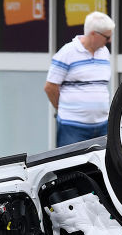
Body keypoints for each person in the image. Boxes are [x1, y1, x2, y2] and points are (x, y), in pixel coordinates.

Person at [44, 11, 115, 147]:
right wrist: (64, 109)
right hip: (72, 126)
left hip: (102, 124)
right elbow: (50, 87)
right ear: (94, 34)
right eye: (107, 37)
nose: (110, 41)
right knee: (69, 166)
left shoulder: (104, 53)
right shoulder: (67, 52)